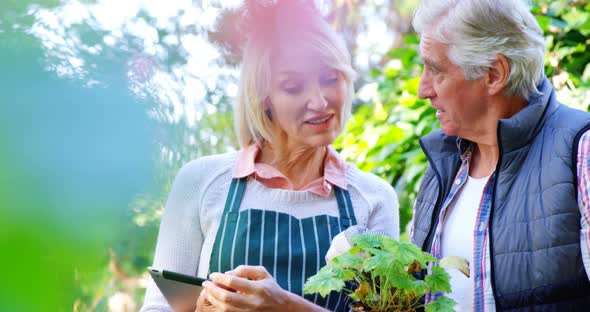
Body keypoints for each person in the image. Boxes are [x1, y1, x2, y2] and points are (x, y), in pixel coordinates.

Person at [140, 1, 399, 311]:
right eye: (293, 86)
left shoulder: (373, 198)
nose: (319, 101)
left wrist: (285, 307)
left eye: (331, 79)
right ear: (263, 99)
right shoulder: (200, 183)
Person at [409, 0, 590, 310]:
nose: (423, 90)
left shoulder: (581, 152)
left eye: (436, 71)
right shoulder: (441, 170)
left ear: (494, 74)